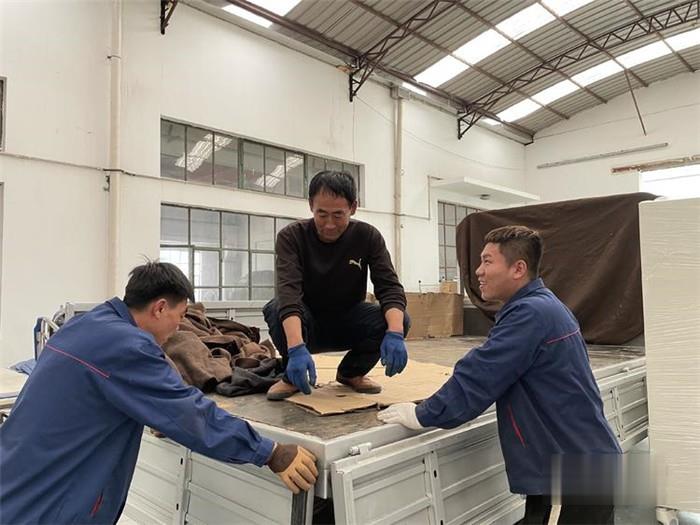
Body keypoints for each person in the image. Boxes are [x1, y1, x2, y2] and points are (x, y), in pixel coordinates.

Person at [0, 262, 318, 525]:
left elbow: (105, 394)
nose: (179, 328)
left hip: (15, 482)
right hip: (47, 505)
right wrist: (270, 452)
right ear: (160, 307)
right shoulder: (128, 347)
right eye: (180, 317)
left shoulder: (86, 325)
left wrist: (152, 409)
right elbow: (190, 413)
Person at [378, 226, 621, 525]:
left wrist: (421, 415)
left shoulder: (530, 314)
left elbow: (480, 374)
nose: (478, 271)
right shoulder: (544, 305)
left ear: (518, 269)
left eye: (487, 261)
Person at [263, 170, 410, 401]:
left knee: (399, 319)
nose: (329, 224)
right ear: (311, 205)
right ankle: (292, 375)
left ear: (353, 207)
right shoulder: (291, 237)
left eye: (338, 215)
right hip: (305, 323)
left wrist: (395, 333)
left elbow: (389, 288)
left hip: (348, 320)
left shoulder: (367, 236)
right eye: (322, 214)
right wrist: (295, 348)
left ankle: (351, 372)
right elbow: (289, 293)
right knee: (276, 307)